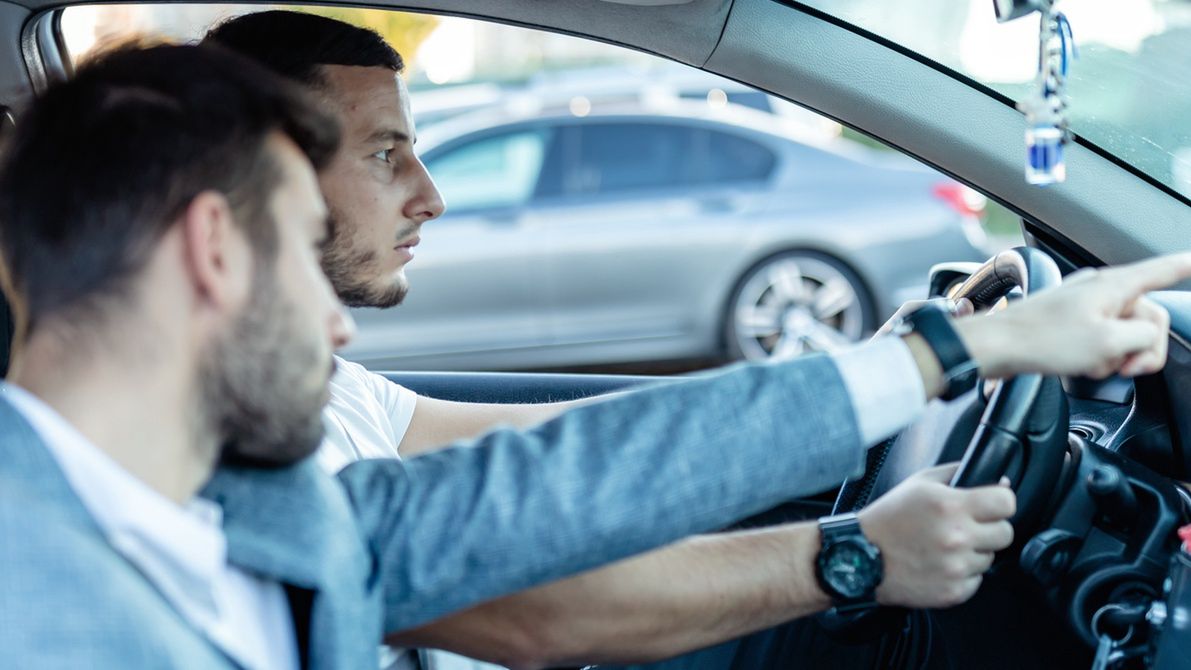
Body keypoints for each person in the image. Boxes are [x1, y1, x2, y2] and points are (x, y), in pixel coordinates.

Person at [0, 41, 1184, 669]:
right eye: (295, 251)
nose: (338, 323)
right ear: (214, 250)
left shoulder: (263, 516)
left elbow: (568, 472)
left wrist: (948, 350)